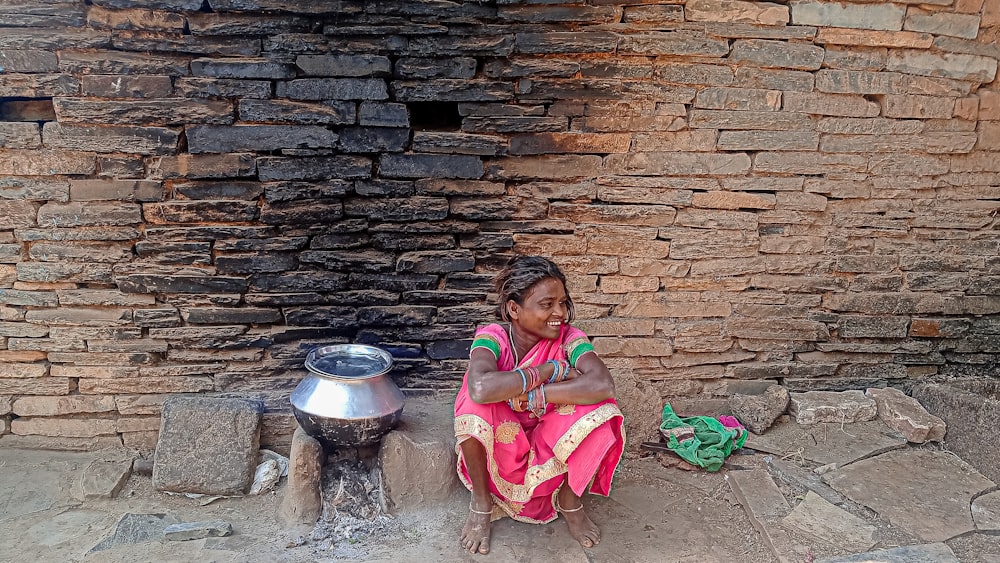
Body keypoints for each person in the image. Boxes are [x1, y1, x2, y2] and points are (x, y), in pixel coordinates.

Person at [453, 255, 626, 555]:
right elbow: (481, 388)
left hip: (551, 438)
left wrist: (538, 396)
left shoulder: (570, 339)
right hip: (503, 444)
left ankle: (570, 500)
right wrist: (546, 372)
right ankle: (482, 503)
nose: (559, 312)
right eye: (547, 304)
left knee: (604, 408)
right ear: (514, 309)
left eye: (562, 302)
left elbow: (601, 384)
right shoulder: (493, 338)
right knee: (471, 400)